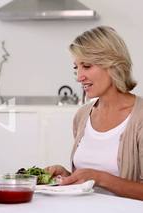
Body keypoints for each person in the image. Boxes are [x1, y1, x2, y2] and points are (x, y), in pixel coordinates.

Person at [45, 26, 143, 200]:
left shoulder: (139, 118)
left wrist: (99, 178)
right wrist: (67, 176)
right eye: (77, 68)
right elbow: (88, 185)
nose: (78, 77)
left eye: (87, 66)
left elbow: (97, 179)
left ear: (112, 64)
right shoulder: (82, 116)